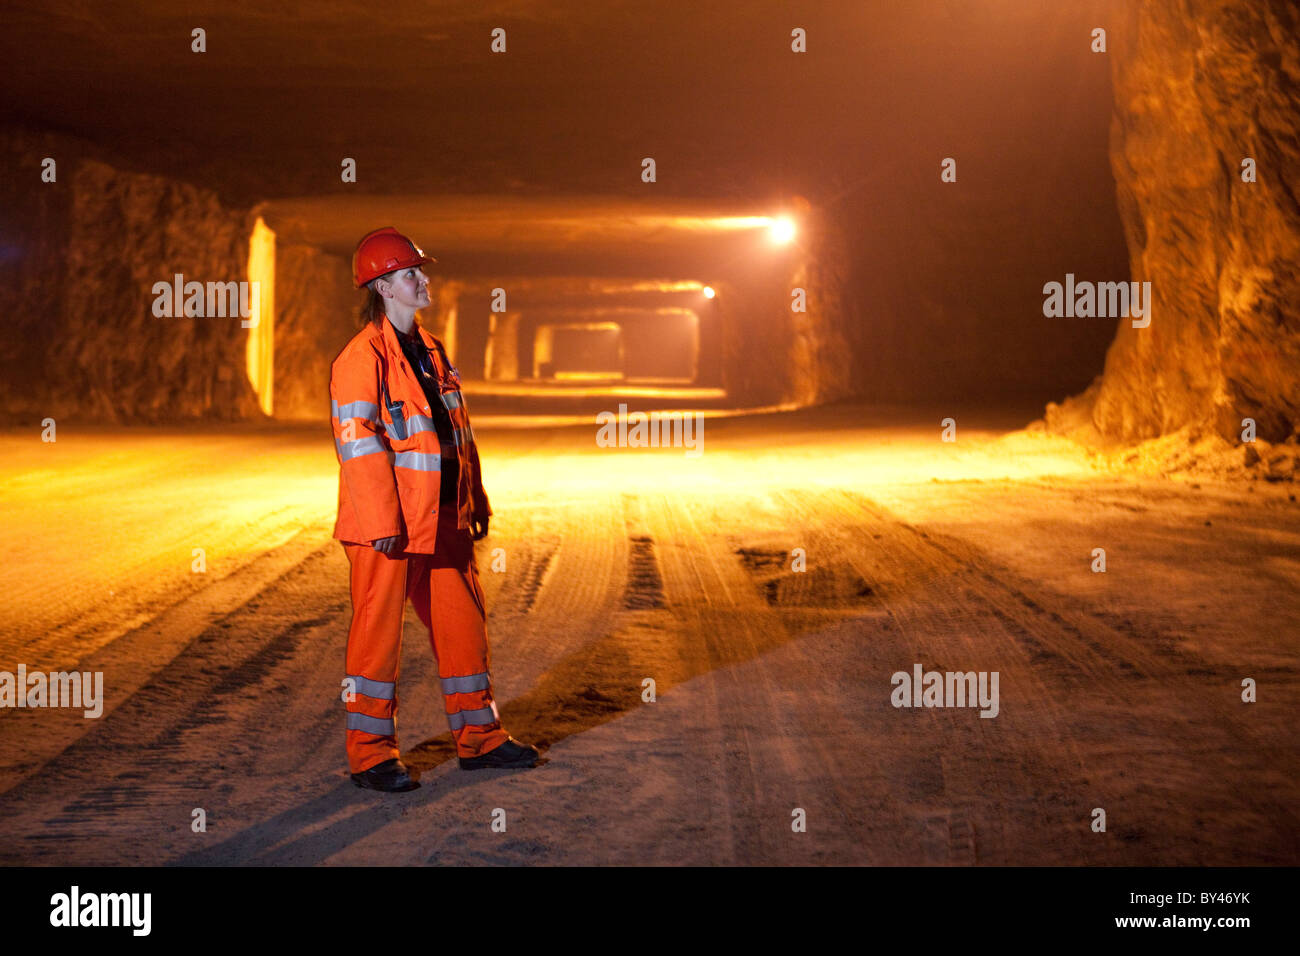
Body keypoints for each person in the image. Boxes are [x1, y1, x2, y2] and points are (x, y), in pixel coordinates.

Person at [329, 225, 539, 792]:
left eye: (420, 270)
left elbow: (454, 433)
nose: (423, 280)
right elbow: (359, 444)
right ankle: (371, 755)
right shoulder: (360, 359)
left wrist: (477, 495)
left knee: (463, 625)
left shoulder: (432, 349)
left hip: (443, 516)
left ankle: (481, 740)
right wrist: (382, 525)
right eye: (410, 274)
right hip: (388, 528)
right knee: (378, 637)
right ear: (383, 288)